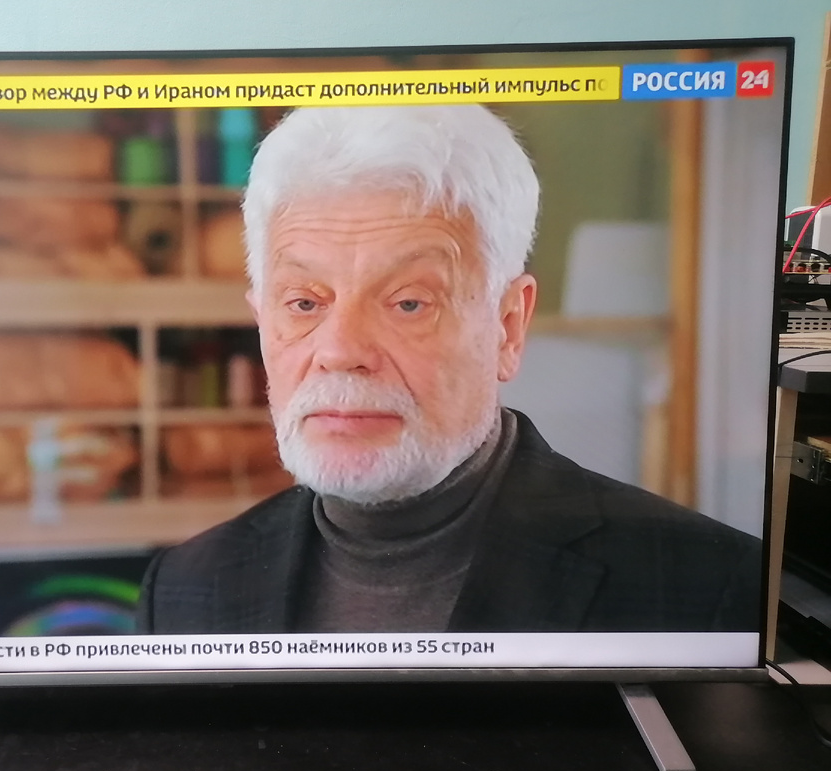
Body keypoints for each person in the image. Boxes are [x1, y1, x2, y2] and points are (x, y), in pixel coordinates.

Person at [137, 104, 760, 635]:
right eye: (304, 303)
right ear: (261, 322)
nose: (341, 350)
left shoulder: (704, 588)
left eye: (408, 303)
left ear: (508, 326)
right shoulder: (186, 590)